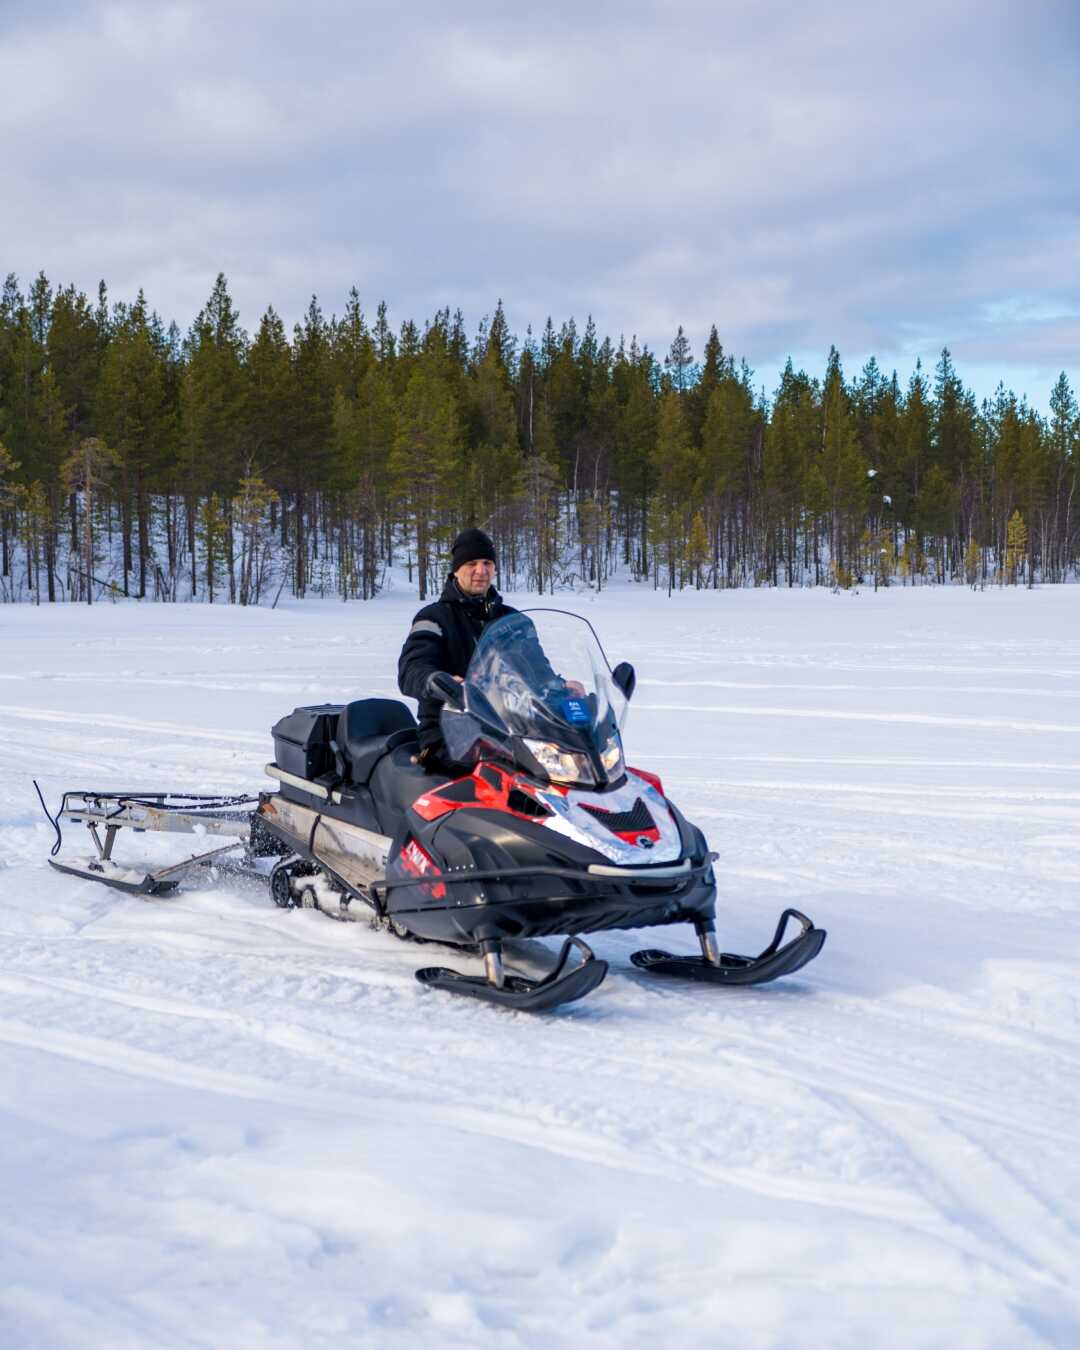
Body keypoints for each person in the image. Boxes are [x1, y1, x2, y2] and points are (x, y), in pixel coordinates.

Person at [397, 528, 516, 773]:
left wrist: (561, 688)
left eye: (487, 563)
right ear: (456, 569)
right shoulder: (434, 617)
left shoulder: (511, 620)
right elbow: (412, 668)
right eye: (471, 563)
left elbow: (535, 670)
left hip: (509, 729)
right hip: (450, 733)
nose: (481, 571)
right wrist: (437, 682)